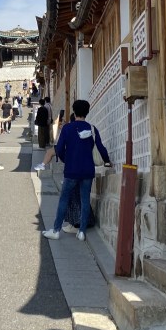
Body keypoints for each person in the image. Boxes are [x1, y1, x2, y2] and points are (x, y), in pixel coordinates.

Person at [42, 99, 111, 241]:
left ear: (74, 111)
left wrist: (66, 160)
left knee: (64, 199)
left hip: (71, 170)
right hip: (87, 170)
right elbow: (101, 148)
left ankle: (56, 230)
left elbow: (59, 149)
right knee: (85, 199)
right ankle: (81, 232)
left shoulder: (67, 128)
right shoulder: (92, 129)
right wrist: (107, 161)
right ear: (87, 112)